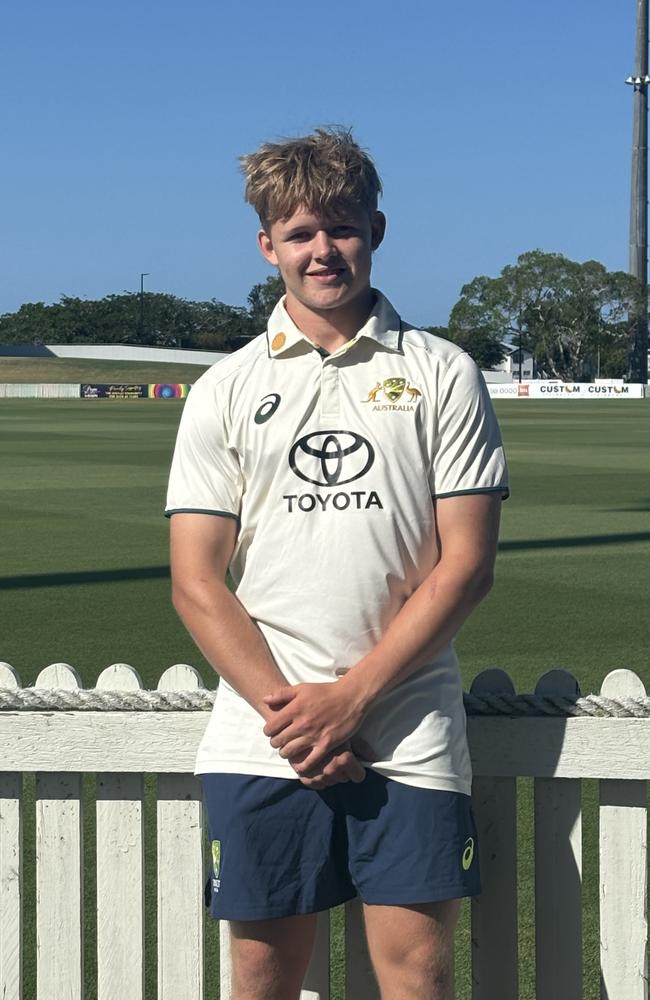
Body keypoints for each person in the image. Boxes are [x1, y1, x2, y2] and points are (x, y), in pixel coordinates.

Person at [165, 126, 508, 1000]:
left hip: (407, 731)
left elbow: (465, 565)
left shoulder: (443, 372)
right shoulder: (227, 386)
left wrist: (352, 698)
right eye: (301, 233)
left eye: (343, 228)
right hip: (262, 733)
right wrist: (296, 718)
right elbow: (197, 578)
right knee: (262, 975)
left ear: (376, 231)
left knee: (418, 975)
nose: (324, 251)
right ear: (267, 244)